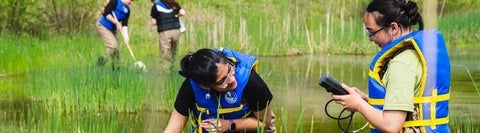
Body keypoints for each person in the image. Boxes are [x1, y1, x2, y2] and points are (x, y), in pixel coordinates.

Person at [331, 0, 450, 133]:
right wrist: (365, 101)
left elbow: (391, 125)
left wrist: (359, 105)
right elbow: (410, 105)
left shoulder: (401, 64)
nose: (370, 38)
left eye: (371, 32)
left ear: (393, 28)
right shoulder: (415, 55)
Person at [163, 48, 276, 133]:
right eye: (223, 81)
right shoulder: (191, 87)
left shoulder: (251, 82)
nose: (232, 80)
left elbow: (264, 123)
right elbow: (175, 126)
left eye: (230, 70)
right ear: (205, 86)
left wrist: (228, 125)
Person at [96, 0, 133, 69]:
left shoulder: (127, 10)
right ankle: (100, 63)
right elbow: (106, 14)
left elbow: (125, 24)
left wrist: (126, 36)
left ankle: (116, 69)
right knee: (113, 46)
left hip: (112, 29)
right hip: (103, 25)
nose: (131, 2)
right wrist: (116, 22)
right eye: (131, 0)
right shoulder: (115, 2)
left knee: (117, 51)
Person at [150, 0, 186, 68]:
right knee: (173, 51)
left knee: (165, 53)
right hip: (176, 30)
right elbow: (183, 13)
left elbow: (153, 22)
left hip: (164, 31)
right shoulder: (173, 3)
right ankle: (173, 67)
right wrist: (176, 16)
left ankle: (165, 71)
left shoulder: (156, 6)